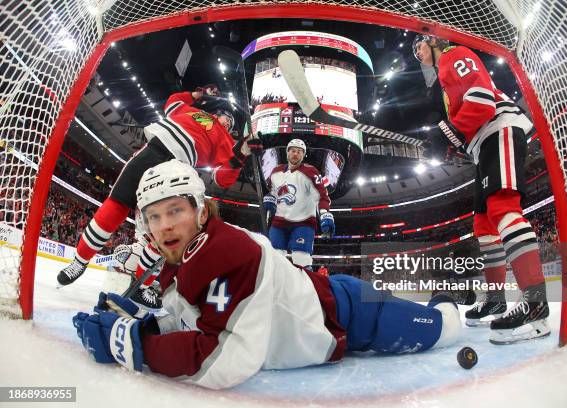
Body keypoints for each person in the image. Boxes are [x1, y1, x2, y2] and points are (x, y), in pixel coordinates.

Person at [72, 160, 472, 390]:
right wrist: (146, 321)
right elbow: (196, 318)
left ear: (201, 210)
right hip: (326, 304)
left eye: (175, 210)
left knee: (443, 326)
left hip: (349, 313)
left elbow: (226, 359)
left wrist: (129, 342)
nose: (164, 226)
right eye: (153, 217)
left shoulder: (232, 251)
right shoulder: (181, 259)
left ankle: (446, 301)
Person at [56, 85, 262, 295]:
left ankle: (140, 286)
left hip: (177, 169)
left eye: (229, 121)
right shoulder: (195, 111)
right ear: (214, 113)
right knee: (117, 203)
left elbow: (222, 178)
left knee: (164, 228)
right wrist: (194, 95)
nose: (225, 120)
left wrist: (242, 152)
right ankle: (80, 261)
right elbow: (172, 103)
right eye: (223, 116)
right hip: (155, 149)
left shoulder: (227, 141)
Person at [413, 35, 550, 344]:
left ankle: (535, 305)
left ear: (433, 41)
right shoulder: (446, 81)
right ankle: (496, 299)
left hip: (498, 128)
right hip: (482, 142)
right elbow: (464, 124)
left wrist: (447, 134)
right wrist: (448, 142)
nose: (417, 53)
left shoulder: (453, 54)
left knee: (503, 208)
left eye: (418, 46)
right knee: (484, 226)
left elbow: (483, 102)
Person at [263, 139, 334, 271]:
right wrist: (270, 198)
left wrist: (324, 214)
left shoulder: (310, 172)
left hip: (303, 222)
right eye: (293, 151)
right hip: (279, 222)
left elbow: (321, 196)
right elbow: (273, 192)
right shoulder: (275, 172)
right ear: (287, 152)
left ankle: (305, 290)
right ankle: (278, 289)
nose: (296, 154)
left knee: (302, 259)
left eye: (299, 152)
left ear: (303, 155)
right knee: (275, 259)